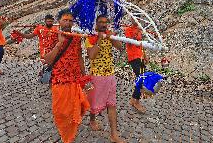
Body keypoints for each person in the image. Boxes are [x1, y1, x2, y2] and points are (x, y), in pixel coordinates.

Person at [44, 9, 90, 143]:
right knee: (62, 112)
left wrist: (84, 75)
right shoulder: (51, 35)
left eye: (70, 20)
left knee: (80, 106)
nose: (68, 23)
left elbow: (79, 57)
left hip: (75, 79)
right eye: (65, 20)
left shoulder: (76, 37)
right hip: (60, 80)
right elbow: (47, 60)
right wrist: (59, 43)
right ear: (59, 21)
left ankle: (71, 132)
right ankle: (66, 138)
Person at [85, 15, 125, 143]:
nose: (103, 25)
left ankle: (114, 134)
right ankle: (92, 119)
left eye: (105, 22)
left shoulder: (109, 35)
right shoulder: (90, 37)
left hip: (110, 74)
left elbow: (120, 47)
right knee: (93, 102)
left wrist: (112, 37)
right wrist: (99, 40)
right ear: (96, 24)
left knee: (112, 104)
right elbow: (91, 55)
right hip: (97, 75)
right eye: (100, 22)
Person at [124, 18, 149, 113]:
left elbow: (141, 44)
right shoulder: (128, 30)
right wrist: (136, 32)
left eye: (138, 19)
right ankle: (137, 102)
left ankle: (133, 99)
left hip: (140, 57)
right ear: (131, 19)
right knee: (141, 79)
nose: (137, 20)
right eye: (134, 19)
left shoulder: (139, 30)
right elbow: (130, 42)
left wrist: (145, 56)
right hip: (133, 57)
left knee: (141, 78)